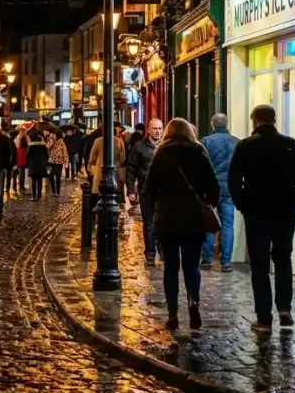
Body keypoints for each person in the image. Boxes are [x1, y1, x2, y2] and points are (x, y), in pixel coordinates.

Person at [229, 105, 295, 333]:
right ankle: (285, 309)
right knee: (283, 259)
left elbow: (234, 180)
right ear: (274, 120)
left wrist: (243, 205)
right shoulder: (290, 145)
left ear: (254, 121)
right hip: (285, 212)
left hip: (256, 213)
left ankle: (264, 318)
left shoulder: (246, 146)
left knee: (260, 265)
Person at [141, 118, 220, 331]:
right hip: (193, 218)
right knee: (192, 266)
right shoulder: (198, 151)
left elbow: (148, 190)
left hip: (167, 219)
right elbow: (213, 186)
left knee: (171, 268)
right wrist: (209, 203)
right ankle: (193, 304)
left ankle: (173, 313)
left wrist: (149, 216)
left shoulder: (161, 154)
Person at [200, 114, 240, 272]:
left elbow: (202, 166)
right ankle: (226, 262)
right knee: (228, 225)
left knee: (209, 222)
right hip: (229, 187)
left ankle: (207, 258)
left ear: (212, 125)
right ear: (227, 124)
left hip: (211, 186)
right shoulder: (236, 142)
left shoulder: (206, 142)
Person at [126, 118, 163, 265]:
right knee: (148, 222)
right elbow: (131, 169)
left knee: (162, 221)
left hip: (163, 191)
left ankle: (162, 250)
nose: (158, 131)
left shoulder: (166, 145)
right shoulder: (139, 146)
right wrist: (130, 190)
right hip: (146, 190)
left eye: (160, 128)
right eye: (155, 128)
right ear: (148, 130)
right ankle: (150, 253)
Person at [88, 126, 127, 200]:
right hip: (115, 172)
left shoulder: (98, 141)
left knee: (99, 193)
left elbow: (92, 158)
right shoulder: (119, 141)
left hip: (100, 171)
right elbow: (122, 159)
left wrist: (91, 168)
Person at [26, 131, 50, 200]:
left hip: (32, 166)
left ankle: (33, 196)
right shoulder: (43, 146)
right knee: (40, 181)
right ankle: (39, 196)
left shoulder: (31, 146)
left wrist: (27, 165)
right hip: (41, 165)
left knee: (33, 181)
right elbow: (47, 156)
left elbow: (27, 156)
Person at [47, 130, 68, 195]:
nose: (53, 135)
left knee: (58, 177)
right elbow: (47, 147)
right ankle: (53, 191)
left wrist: (66, 162)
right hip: (50, 161)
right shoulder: (50, 140)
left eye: (54, 134)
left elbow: (64, 151)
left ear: (57, 135)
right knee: (50, 176)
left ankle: (58, 192)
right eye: (52, 134)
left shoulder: (61, 141)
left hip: (59, 162)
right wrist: (52, 140)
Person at [15, 128, 29, 194]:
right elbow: (29, 145)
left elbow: (15, 146)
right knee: (22, 171)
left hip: (19, 154)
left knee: (21, 171)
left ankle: (20, 186)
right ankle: (21, 186)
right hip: (23, 154)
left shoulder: (17, 137)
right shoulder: (26, 137)